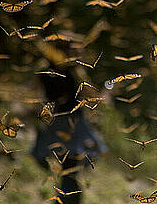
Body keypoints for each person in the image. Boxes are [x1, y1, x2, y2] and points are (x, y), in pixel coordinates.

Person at [32, 41, 106, 204]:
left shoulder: (43, 68)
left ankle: (63, 197)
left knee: (64, 165)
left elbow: (34, 95)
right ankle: (68, 198)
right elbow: (91, 94)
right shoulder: (74, 71)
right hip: (74, 123)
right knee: (78, 161)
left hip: (55, 121)